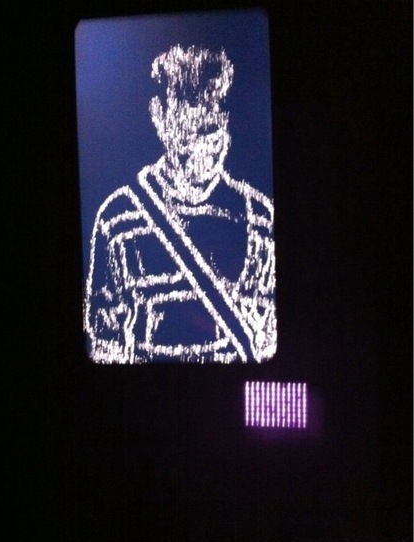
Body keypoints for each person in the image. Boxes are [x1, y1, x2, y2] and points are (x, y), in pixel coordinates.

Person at [84, 44, 276, 363]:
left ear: (225, 123)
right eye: (187, 136)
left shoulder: (261, 220)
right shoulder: (117, 218)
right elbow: (104, 345)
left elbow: (268, 343)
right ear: (159, 119)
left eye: (210, 135)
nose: (200, 151)